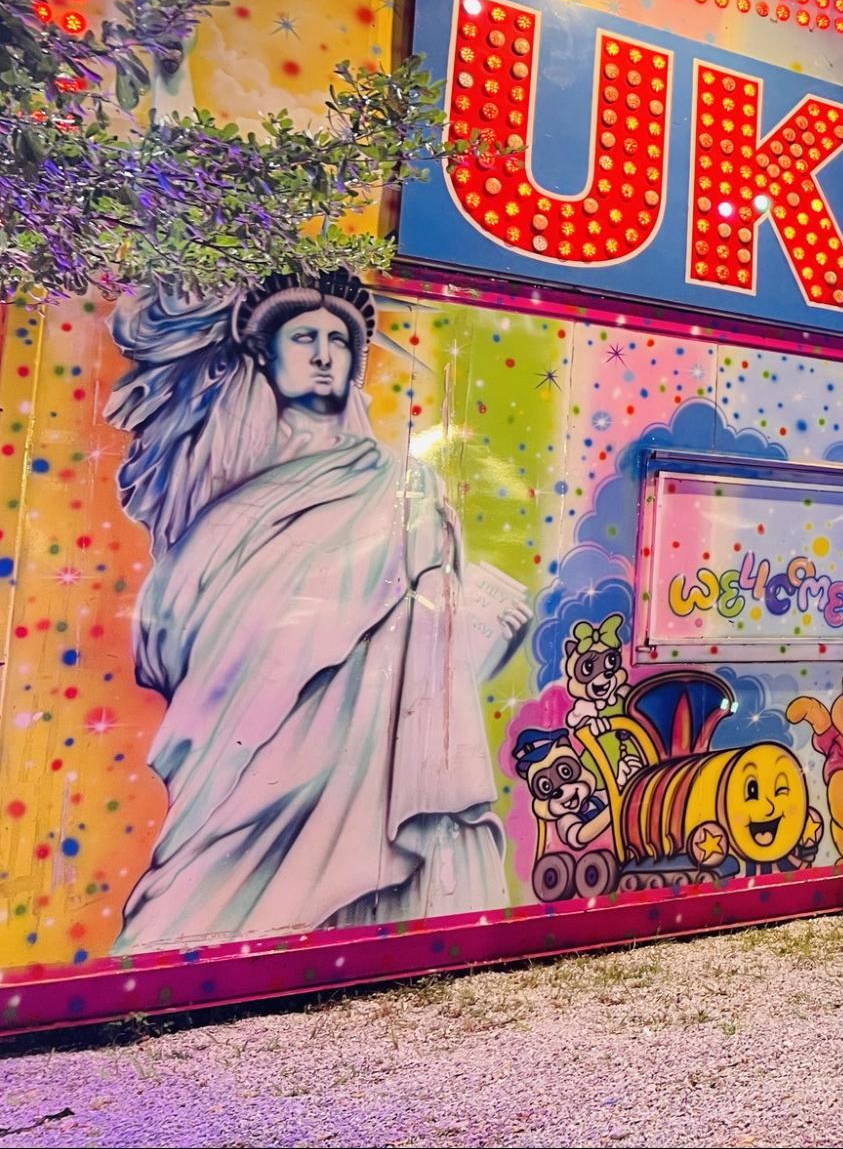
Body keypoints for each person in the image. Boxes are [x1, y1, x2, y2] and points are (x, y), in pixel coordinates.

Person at [105, 271, 531, 953]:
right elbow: (175, 623)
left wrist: (467, 617)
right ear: (266, 357)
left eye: (340, 341)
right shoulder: (227, 502)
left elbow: (428, 615)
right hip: (241, 738)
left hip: (365, 746)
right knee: (201, 877)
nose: (325, 353)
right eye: (305, 337)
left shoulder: (401, 482)